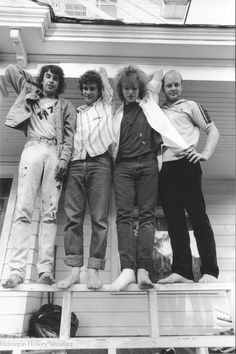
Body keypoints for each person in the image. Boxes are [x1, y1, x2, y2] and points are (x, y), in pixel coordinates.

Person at [105, 65, 187, 291]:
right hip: (122, 166)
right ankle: (127, 270)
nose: (130, 92)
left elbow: (159, 73)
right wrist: (115, 78)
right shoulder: (117, 110)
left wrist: (142, 79)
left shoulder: (149, 100)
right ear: (121, 90)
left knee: (147, 216)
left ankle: (143, 269)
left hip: (148, 163)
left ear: (140, 88)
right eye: (126, 89)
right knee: (123, 216)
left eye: (134, 88)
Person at [1, 64, 76, 288]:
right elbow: (12, 70)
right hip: (32, 147)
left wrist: (64, 158)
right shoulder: (30, 94)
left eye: (55, 78)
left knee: (50, 212)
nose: (51, 81)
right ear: (41, 79)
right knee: (23, 208)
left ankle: (44, 269)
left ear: (60, 83)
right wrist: (32, 81)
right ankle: (16, 270)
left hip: (54, 150)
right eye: (47, 76)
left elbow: (70, 136)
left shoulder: (66, 106)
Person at [158, 70, 220, 284]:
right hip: (165, 169)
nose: (173, 88)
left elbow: (213, 130)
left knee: (198, 217)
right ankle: (182, 271)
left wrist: (205, 154)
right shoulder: (157, 111)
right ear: (163, 88)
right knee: (174, 220)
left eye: (176, 84)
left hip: (188, 165)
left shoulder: (190, 105)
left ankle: (210, 271)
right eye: (169, 85)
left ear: (181, 86)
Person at [57, 68, 115, 290]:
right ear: (81, 91)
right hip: (75, 164)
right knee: (73, 219)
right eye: (85, 88)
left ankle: (93, 271)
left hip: (100, 162)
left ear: (99, 90)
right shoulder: (76, 112)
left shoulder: (105, 105)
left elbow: (104, 78)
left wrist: (98, 76)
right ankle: (74, 271)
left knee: (100, 219)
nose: (88, 92)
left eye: (92, 88)